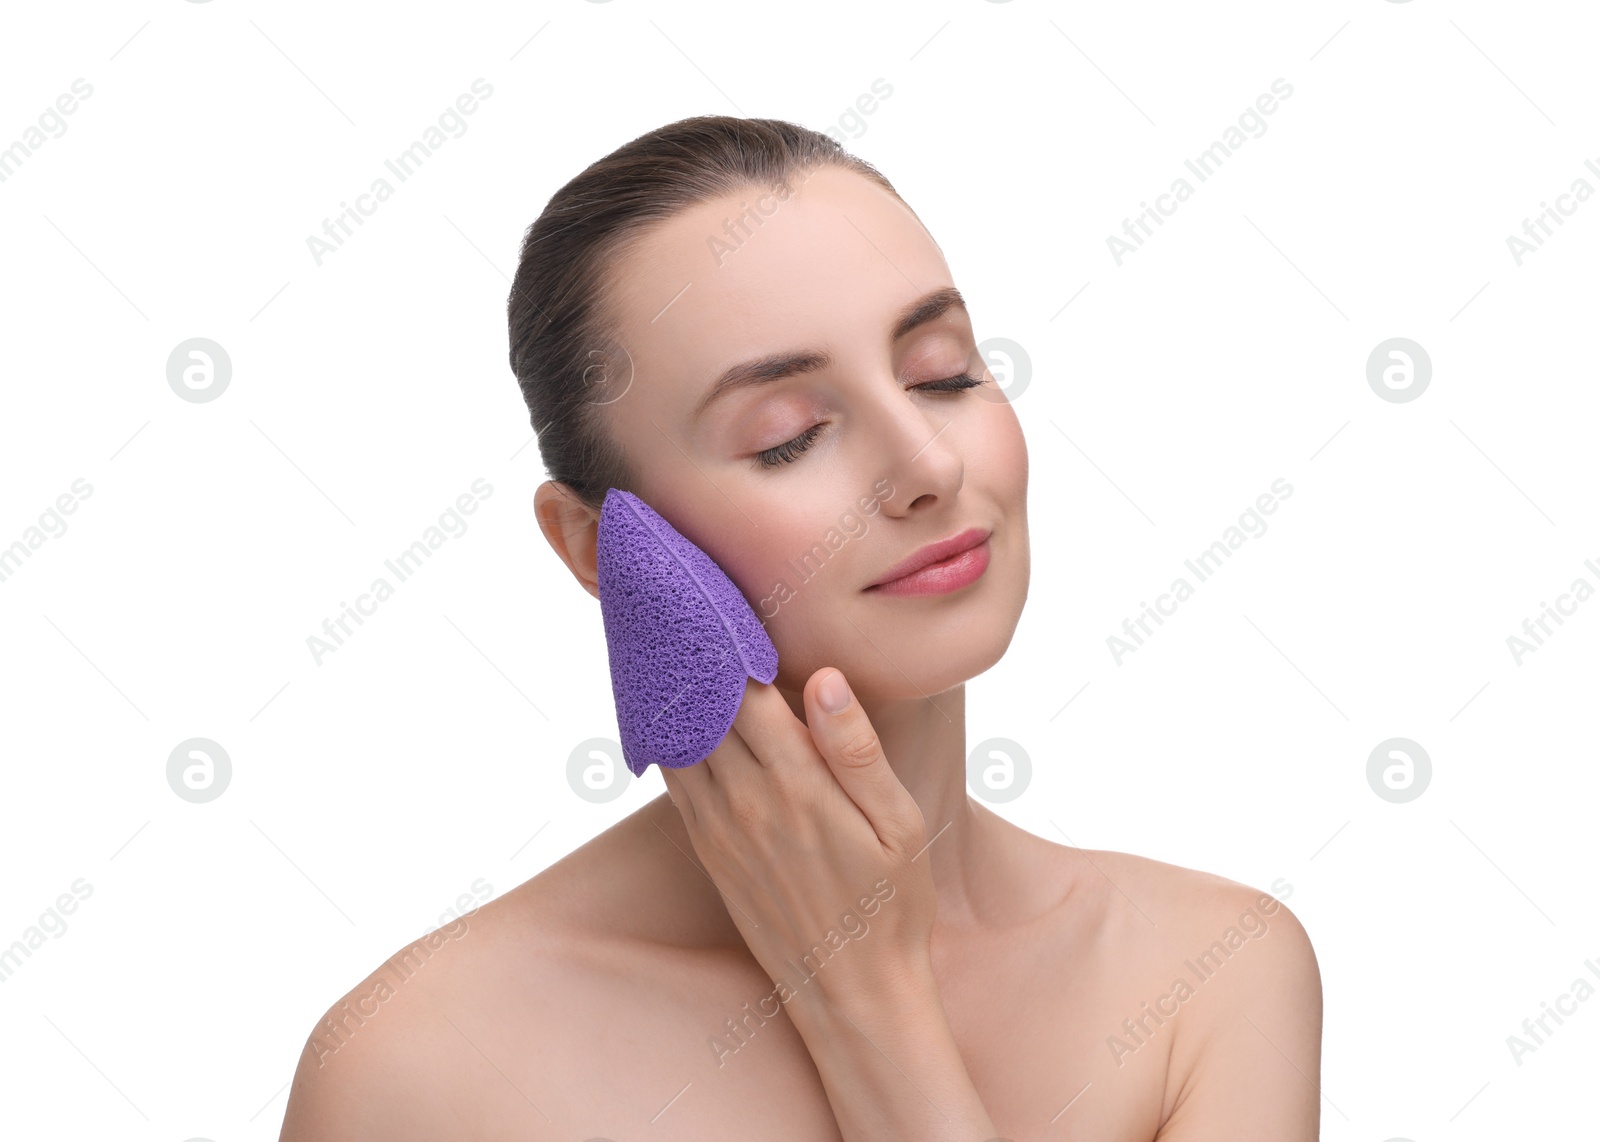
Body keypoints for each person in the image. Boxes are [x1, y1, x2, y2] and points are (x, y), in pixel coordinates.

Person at [278, 115, 1322, 1141]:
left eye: (943, 371)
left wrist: (871, 1005)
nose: (928, 464)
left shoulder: (1212, 977)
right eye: (788, 438)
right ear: (597, 547)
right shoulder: (418, 1067)